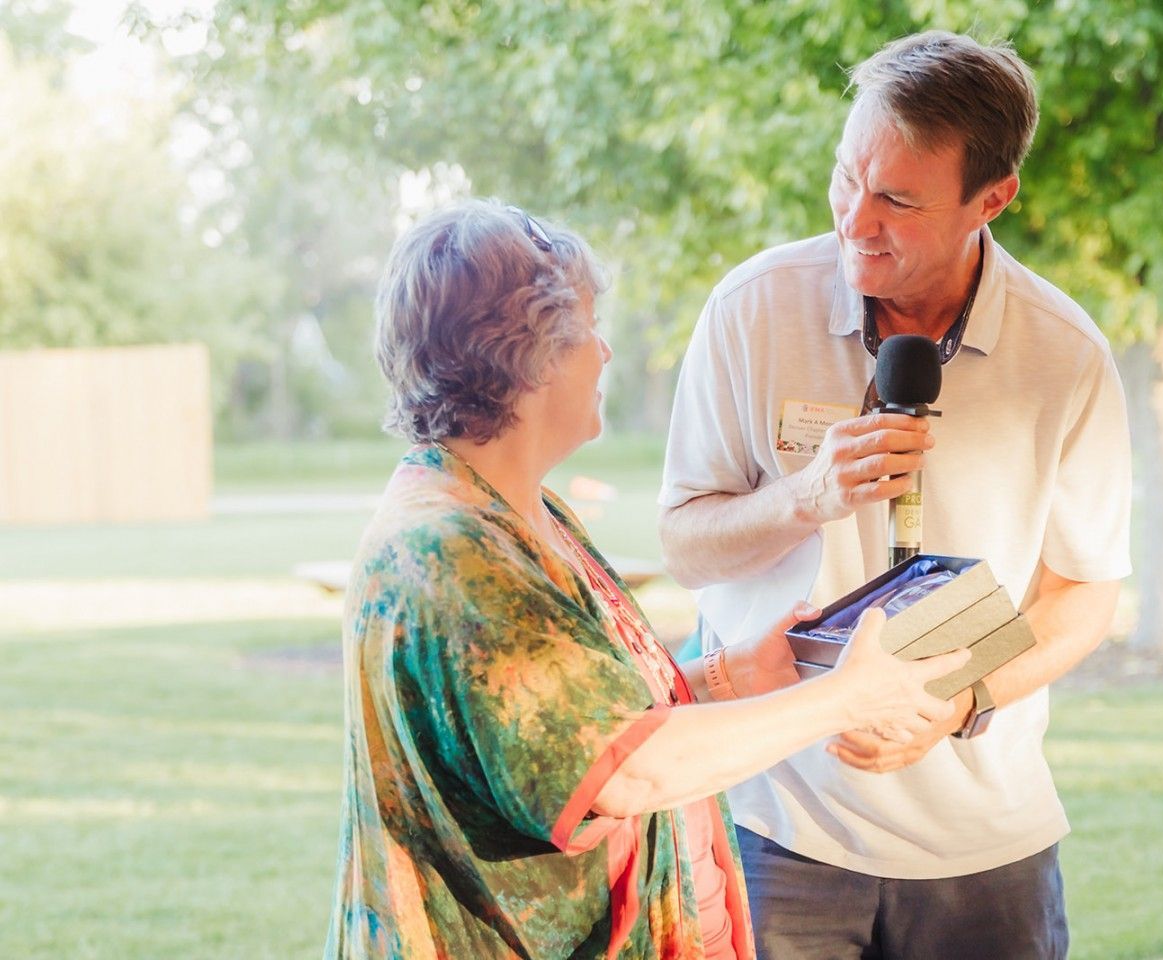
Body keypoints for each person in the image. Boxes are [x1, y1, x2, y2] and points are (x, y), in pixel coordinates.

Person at [324, 199, 972, 960]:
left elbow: (574, 724)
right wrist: (844, 697)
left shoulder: (519, 511)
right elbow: (623, 772)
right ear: (527, 354)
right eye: (587, 331)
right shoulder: (454, 553)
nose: (603, 353)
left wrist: (733, 677)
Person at [659, 31, 1132, 959]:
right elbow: (683, 543)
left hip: (983, 847)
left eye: (898, 200)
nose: (853, 219)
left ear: (990, 200)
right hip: (775, 825)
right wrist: (802, 496)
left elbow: (1082, 595)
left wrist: (956, 704)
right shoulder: (750, 309)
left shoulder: (1066, 359)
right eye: (847, 177)